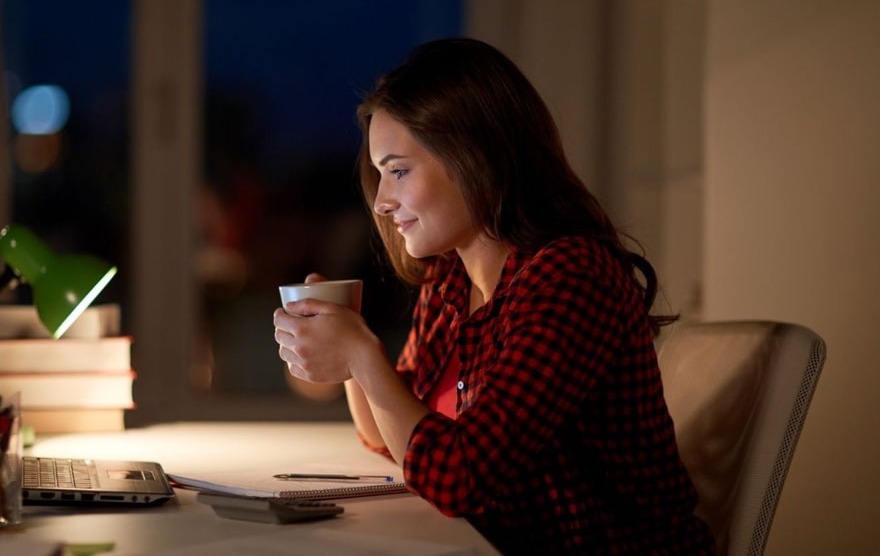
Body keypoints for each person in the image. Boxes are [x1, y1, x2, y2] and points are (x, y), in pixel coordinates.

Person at [272, 38, 715, 555]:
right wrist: (345, 341)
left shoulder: (570, 277)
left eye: (398, 170)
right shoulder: (451, 281)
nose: (384, 202)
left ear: (474, 157)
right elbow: (400, 443)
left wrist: (361, 354)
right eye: (380, 175)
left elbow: (460, 479)